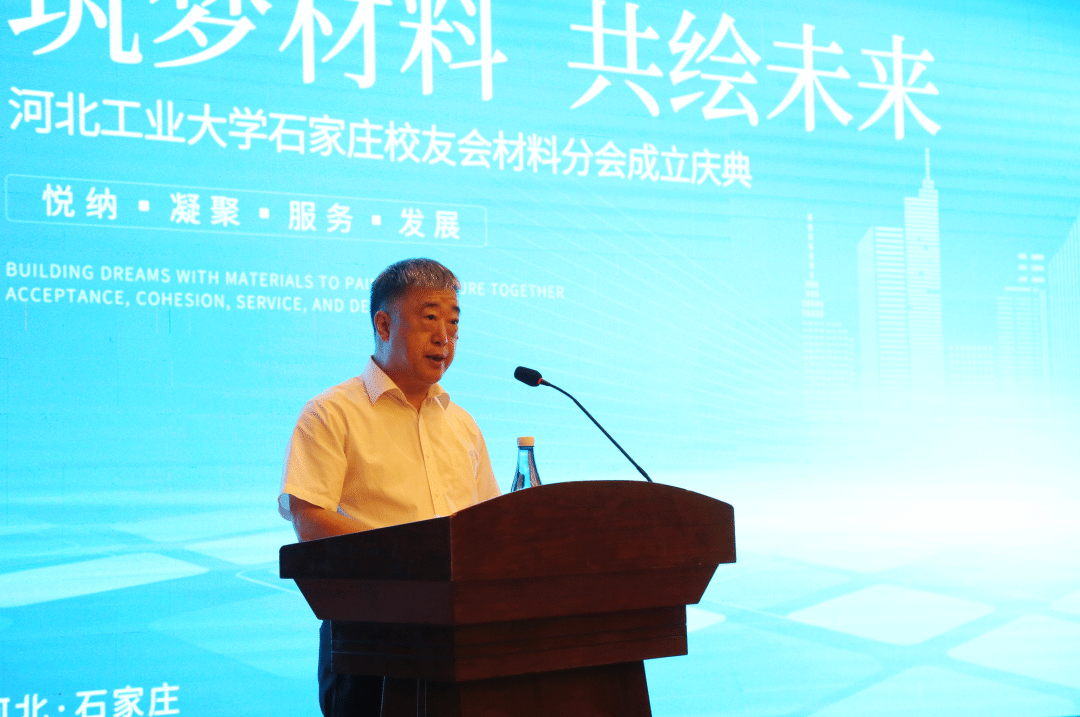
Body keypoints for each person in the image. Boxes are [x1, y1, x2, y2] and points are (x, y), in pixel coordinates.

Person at [278, 258, 501, 717]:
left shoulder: (462, 424)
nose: (444, 337)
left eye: (454, 323)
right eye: (430, 318)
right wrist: (416, 556)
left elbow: (489, 525)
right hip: (368, 640)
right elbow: (311, 520)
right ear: (383, 324)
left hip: (463, 638)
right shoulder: (331, 413)